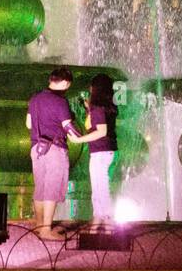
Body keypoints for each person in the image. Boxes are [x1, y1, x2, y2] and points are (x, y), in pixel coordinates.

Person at [27, 67, 78, 239]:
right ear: (65, 82)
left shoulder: (34, 99)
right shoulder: (60, 102)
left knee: (40, 187)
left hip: (37, 149)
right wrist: (83, 137)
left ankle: (39, 225)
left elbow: (28, 124)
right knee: (52, 187)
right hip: (55, 149)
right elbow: (68, 128)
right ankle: (47, 230)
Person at [69, 73, 118, 224]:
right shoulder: (106, 106)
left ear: (95, 88)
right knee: (98, 186)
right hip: (105, 150)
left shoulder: (97, 108)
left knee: (100, 186)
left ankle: (106, 220)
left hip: (100, 152)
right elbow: (96, 124)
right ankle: (99, 220)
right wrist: (88, 108)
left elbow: (100, 131)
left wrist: (79, 139)